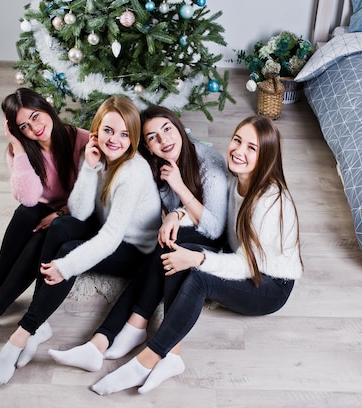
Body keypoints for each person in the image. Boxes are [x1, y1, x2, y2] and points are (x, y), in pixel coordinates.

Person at [90, 115, 304, 395]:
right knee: (176, 244)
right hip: (238, 256)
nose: (239, 151)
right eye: (237, 140)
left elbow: (246, 265)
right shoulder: (235, 177)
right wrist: (176, 217)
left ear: (267, 155)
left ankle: (148, 360)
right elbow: (211, 217)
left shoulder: (269, 201)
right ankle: (165, 349)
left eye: (252, 148)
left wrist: (199, 260)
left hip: (269, 283)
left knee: (199, 278)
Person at [0, 95, 162, 388]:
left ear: (134, 136)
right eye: (107, 131)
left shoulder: (133, 172)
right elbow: (80, 212)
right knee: (62, 225)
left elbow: (110, 239)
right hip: (107, 231)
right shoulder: (97, 155)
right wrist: (89, 167)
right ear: (96, 130)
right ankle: (36, 324)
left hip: (134, 250)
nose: (114, 140)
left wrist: (66, 266)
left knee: (65, 253)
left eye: (124, 134)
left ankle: (21, 335)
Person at [47, 105, 229, 372]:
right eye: (153, 137)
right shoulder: (153, 164)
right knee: (159, 247)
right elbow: (160, 206)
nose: (163, 140)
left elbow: (214, 228)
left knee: (163, 247)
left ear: (178, 127)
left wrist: (178, 192)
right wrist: (172, 216)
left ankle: (131, 326)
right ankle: (102, 341)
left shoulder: (209, 163)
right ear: (146, 145)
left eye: (167, 129)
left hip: (208, 240)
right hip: (178, 228)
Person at [0, 88, 88, 354]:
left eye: (36, 117)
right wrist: (18, 146)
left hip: (78, 215)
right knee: (26, 214)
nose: (34, 128)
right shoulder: (20, 151)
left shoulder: (80, 139)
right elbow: (28, 198)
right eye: (24, 126)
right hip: (44, 208)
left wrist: (61, 213)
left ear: (47, 109)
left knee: (43, 235)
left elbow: (91, 198)